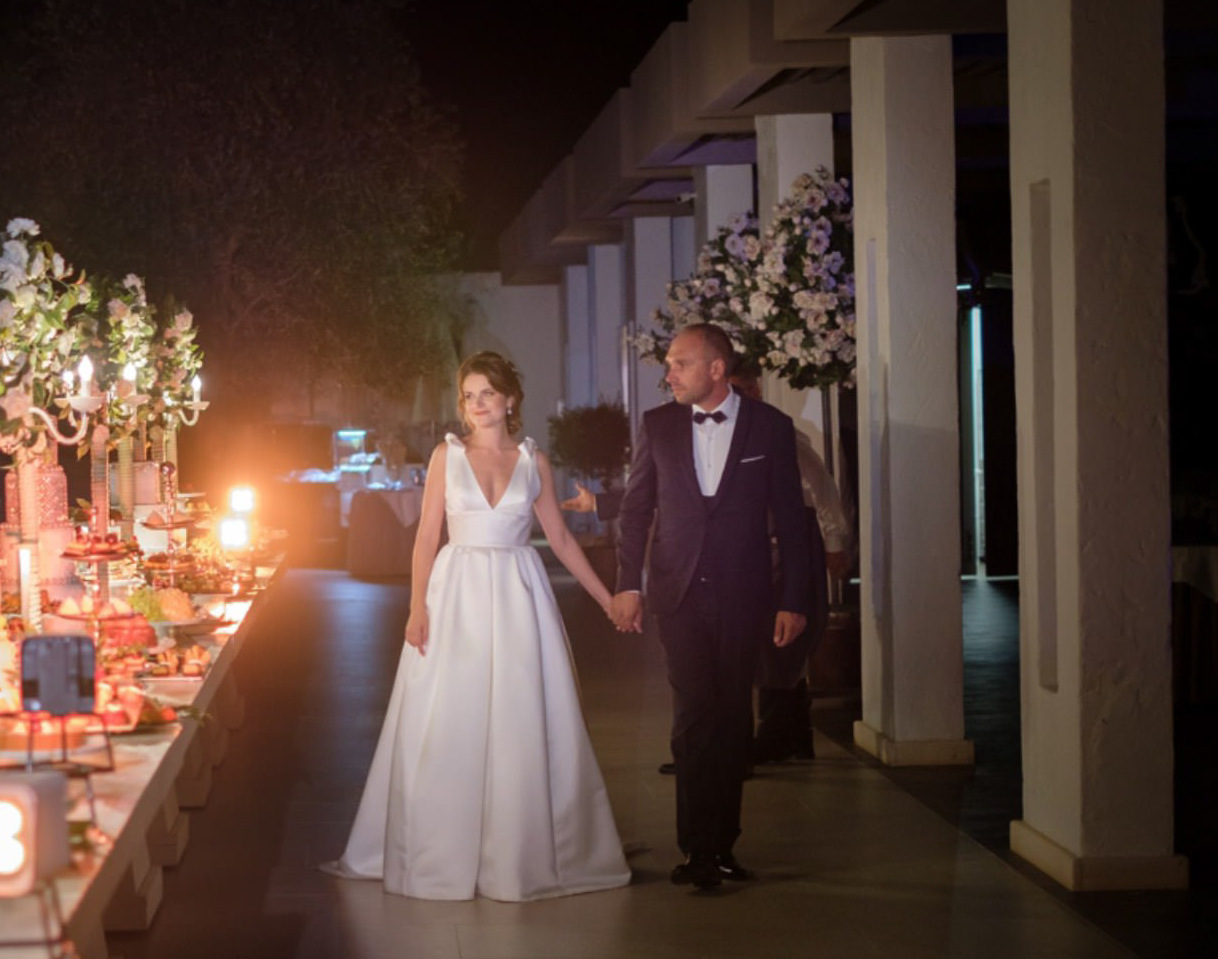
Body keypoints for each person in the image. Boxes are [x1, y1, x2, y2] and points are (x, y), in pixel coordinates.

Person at [322, 352, 631, 901]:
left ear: (510, 399)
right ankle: (441, 850)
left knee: (519, 715)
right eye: (469, 395)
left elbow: (559, 540)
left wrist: (608, 599)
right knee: (451, 713)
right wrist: (417, 606)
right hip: (457, 589)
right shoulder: (448, 455)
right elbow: (426, 536)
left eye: (487, 393)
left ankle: (516, 854)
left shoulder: (534, 461)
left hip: (518, 592)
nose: (477, 404)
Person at [610, 325, 813, 892]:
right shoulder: (659, 425)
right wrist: (629, 583)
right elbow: (634, 511)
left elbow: (792, 522)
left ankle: (722, 846)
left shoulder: (771, 428)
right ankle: (698, 848)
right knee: (693, 718)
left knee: (731, 721)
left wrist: (793, 598)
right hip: (679, 597)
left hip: (746, 597)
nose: (669, 374)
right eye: (669, 365)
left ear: (717, 368)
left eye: (680, 363)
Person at [728, 370, 850, 764]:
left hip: (790, 542)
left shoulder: (779, 432)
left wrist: (834, 542)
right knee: (767, 643)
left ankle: (781, 735)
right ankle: (789, 735)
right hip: (756, 547)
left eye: (742, 389)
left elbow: (822, 488)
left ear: (756, 388)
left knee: (782, 639)